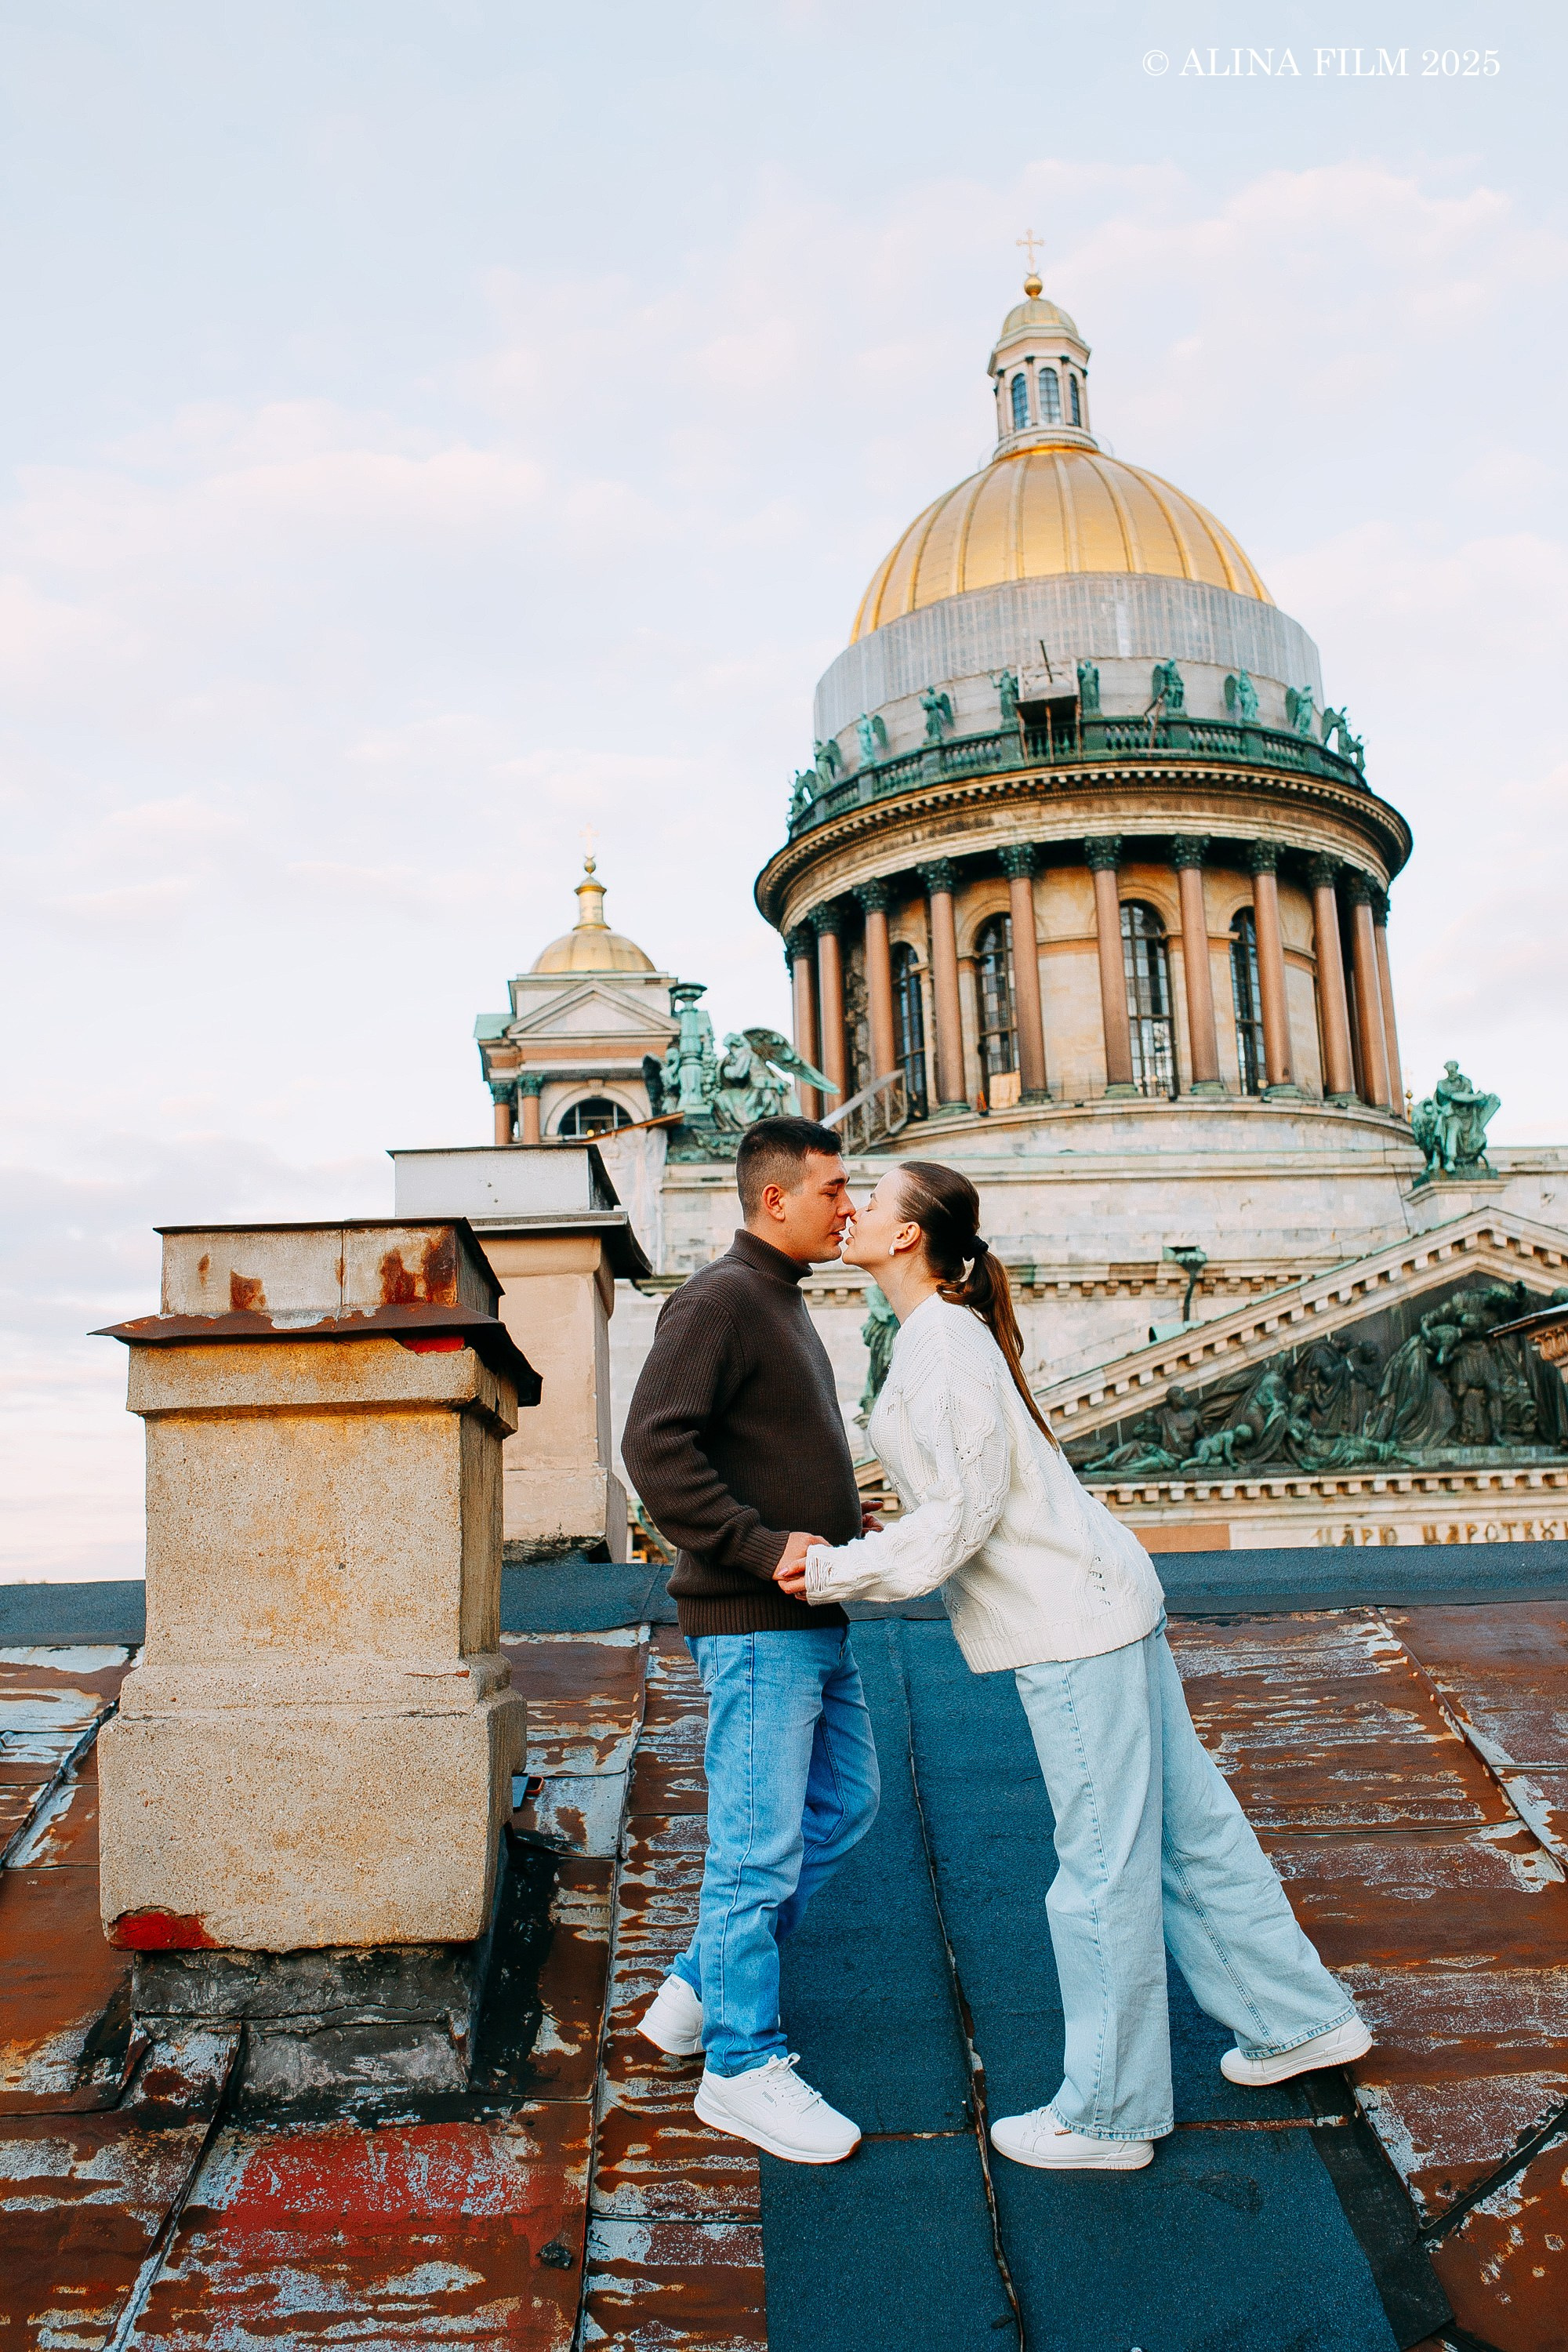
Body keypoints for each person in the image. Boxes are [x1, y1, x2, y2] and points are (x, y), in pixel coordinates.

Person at [777, 1160, 1369, 2173]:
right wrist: (884, 1535)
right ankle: (1298, 2021)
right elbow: (969, 1500)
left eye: (873, 1201)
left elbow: (961, 1521)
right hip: (1100, 1602)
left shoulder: (942, 1343)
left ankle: (1110, 2114)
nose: (854, 1210)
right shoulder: (943, 1335)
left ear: (909, 1236)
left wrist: (833, 1569)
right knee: (1189, 1833)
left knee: (1100, 1867)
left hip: (1076, 1623)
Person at [621, 1115, 880, 2166]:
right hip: (758, 1622)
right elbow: (653, 1446)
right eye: (833, 1189)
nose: (849, 1206)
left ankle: (700, 1987)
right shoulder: (722, 1298)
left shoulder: (778, 1298)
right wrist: (759, 1545)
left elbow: (761, 1452)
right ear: (776, 1199)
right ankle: (741, 2064)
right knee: (755, 1850)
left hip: (811, 1616)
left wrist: (840, 1531)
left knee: (846, 1806)